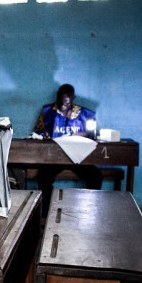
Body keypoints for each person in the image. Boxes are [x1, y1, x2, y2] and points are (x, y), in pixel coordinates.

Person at [33, 84, 103, 216]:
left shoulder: (84, 114)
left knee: (96, 176)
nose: (64, 107)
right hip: (55, 158)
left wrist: (83, 134)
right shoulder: (48, 112)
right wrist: (44, 135)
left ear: (73, 99)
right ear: (57, 98)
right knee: (43, 176)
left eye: (67, 104)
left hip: (78, 158)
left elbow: (94, 134)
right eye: (62, 103)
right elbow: (38, 131)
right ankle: (46, 214)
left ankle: (89, 213)